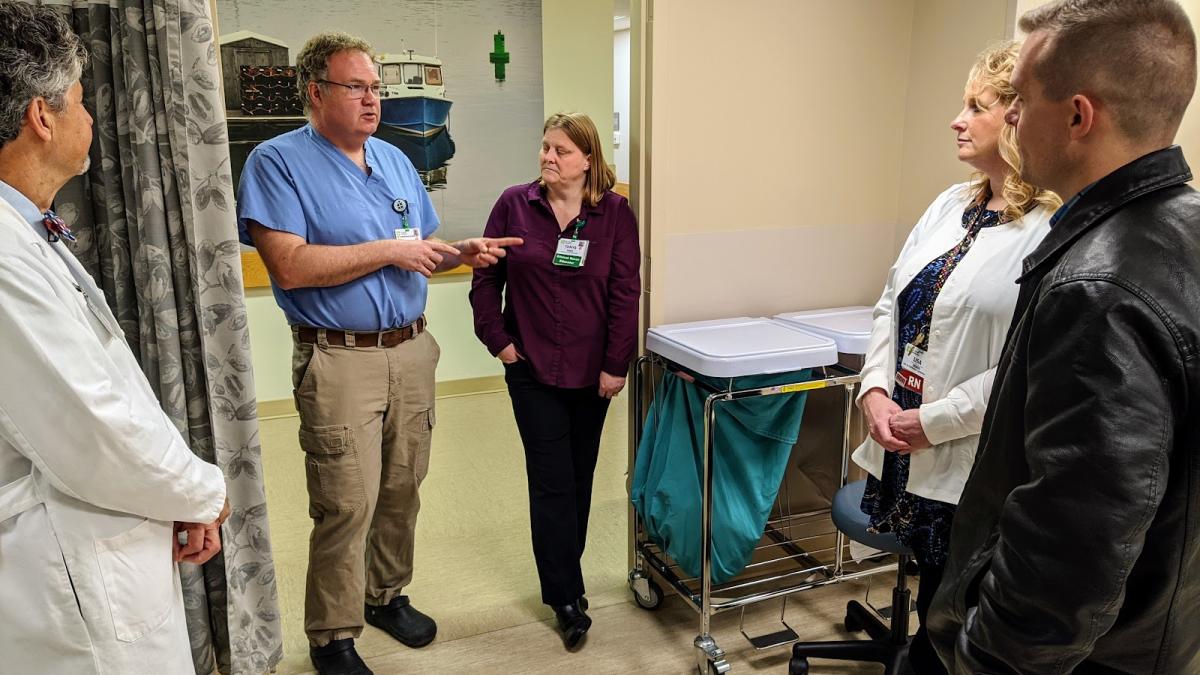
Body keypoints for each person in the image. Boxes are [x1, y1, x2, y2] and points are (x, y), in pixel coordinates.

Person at [926, 2, 1200, 673]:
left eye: (1019, 99)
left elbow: (1072, 545)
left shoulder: (1098, 289)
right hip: (1165, 633)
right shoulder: (1185, 228)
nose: (1010, 118)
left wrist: (983, 659)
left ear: (1079, 116)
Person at [236, 31, 520, 675]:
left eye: (376, 88)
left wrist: (462, 252)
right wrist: (391, 251)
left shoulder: (393, 160)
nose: (373, 100)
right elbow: (292, 265)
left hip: (412, 349)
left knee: (402, 486)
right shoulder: (276, 163)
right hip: (339, 358)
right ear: (316, 92)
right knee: (345, 498)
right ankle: (333, 634)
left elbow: (422, 243)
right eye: (357, 87)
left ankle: (387, 593)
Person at [0, 4, 229, 673]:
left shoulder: (28, 229)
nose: (91, 117)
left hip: (101, 526)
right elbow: (91, 421)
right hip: (67, 565)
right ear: (41, 118)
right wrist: (201, 490)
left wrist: (181, 492)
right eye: (78, 101)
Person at [852, 42, 1059, 675]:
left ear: (1018, 118)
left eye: (976, 106)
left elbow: (1033, 361)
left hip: (969, 459)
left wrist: (933, 422)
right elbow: (892, 298)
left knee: (962, 621)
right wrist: (875, 392)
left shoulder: (1052, 226)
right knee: (932, 605)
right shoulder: (951, 204)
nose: (956, 119)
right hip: (902, 444)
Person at [470, 112, 640, 650]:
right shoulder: (514, 204)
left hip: (594, 374)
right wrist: (498, 341)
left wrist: (617, 364)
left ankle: (567, 574)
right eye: (545, 147)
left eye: (561, 150)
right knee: (551, 481)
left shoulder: (614, 214)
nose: (548, 157)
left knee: (581, 476)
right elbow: (484, 279)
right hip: (532, 369)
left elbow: (625, 292)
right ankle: (565, 596)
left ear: (588, 160)